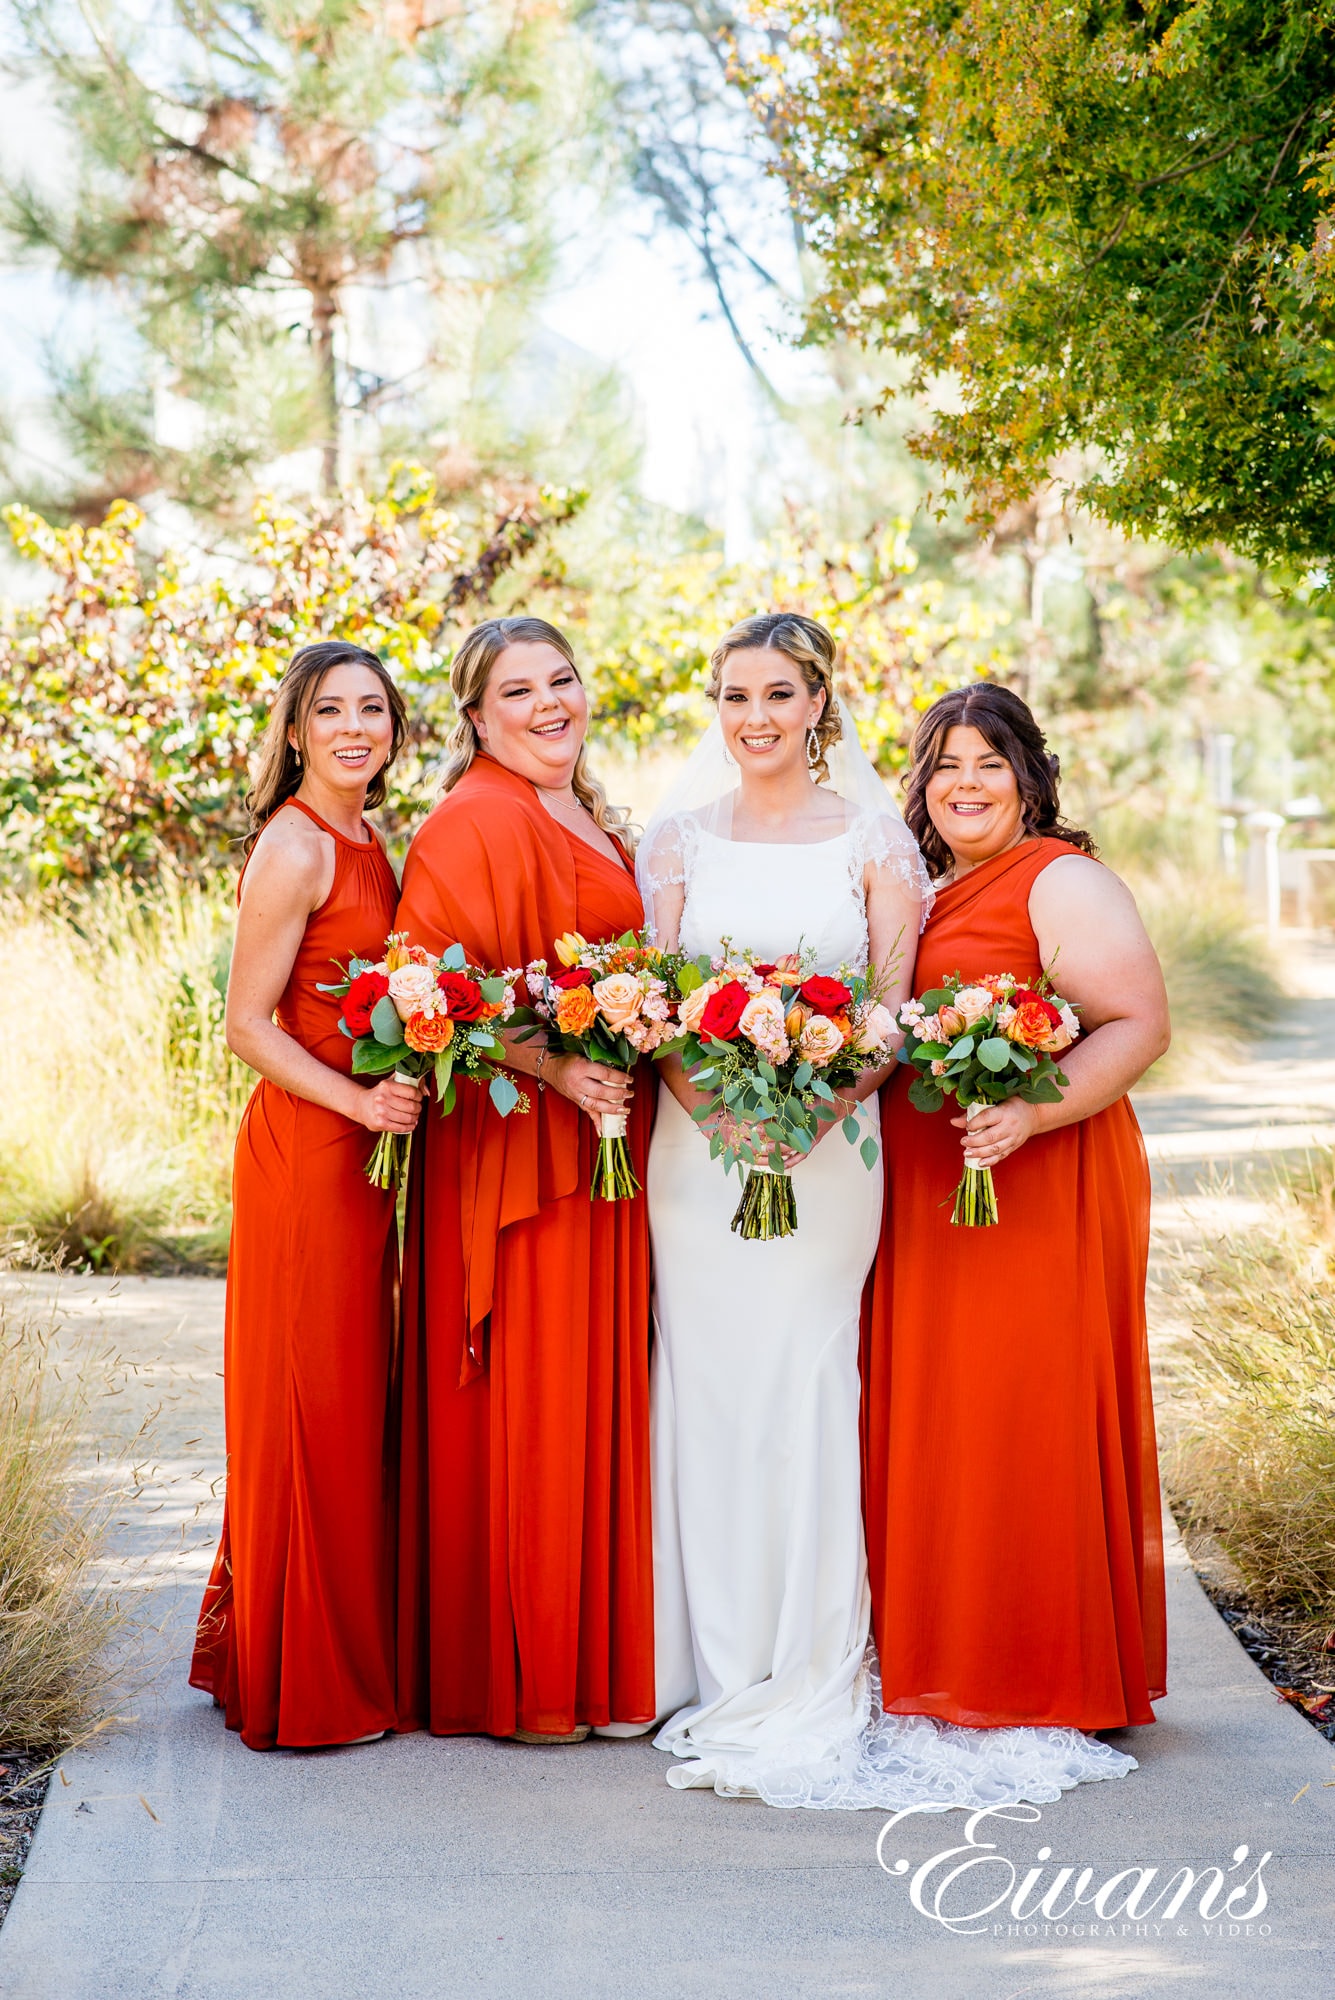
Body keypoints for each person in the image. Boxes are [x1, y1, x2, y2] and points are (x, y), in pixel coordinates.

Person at [636, 611, 930, 1803]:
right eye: (734, 695)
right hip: (697, 1152)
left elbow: (894, 1015)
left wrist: (807, 1113)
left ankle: (806, 1664)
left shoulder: (873, 841)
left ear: (818, 703)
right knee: (704, 1385)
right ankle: (709, 1663)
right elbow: (651, 1005)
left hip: (832, 1145)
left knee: (807, 1379)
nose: (753, 717)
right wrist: (723, 1113)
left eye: (777, 694)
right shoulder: (674, 842)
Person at [863, 682, 1169, 1759]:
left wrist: (1033, 1111)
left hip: (1036, 1181)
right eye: (944, 764)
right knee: (945, 1412)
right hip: (927, 1190)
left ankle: (1041, 1663)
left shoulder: (1061, 879)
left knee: (1020, 1408)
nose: (964, 784)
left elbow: (1138, 1021)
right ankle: (948, 1653)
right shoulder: (926, 889)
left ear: (1029, 776)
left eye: (989, 762)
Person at [394, 615, 655, 1745]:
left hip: (602, 1142)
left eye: (562, 678)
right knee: (534, 1395)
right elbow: (425, 983)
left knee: (594, 1388)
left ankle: (592, 1661)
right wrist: (554, 1064)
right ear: (477, 715)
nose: (550, 702)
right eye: (518, 690)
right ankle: (528, 1674)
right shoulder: (473, 818)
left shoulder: (583, 807)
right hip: (519, 1147)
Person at [190, 640, 421, 1751]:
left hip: (362, 1160)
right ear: (294, 730)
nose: (352, 728)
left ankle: (331, 1651)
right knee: (306, 1406)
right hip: (306, 1154)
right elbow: (246, 1025)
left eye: (372, 709)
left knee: (346, 1410)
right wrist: (361, 1102)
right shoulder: (294, 845)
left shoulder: (375, 838)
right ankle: (300, 1680)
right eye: (329, 710)